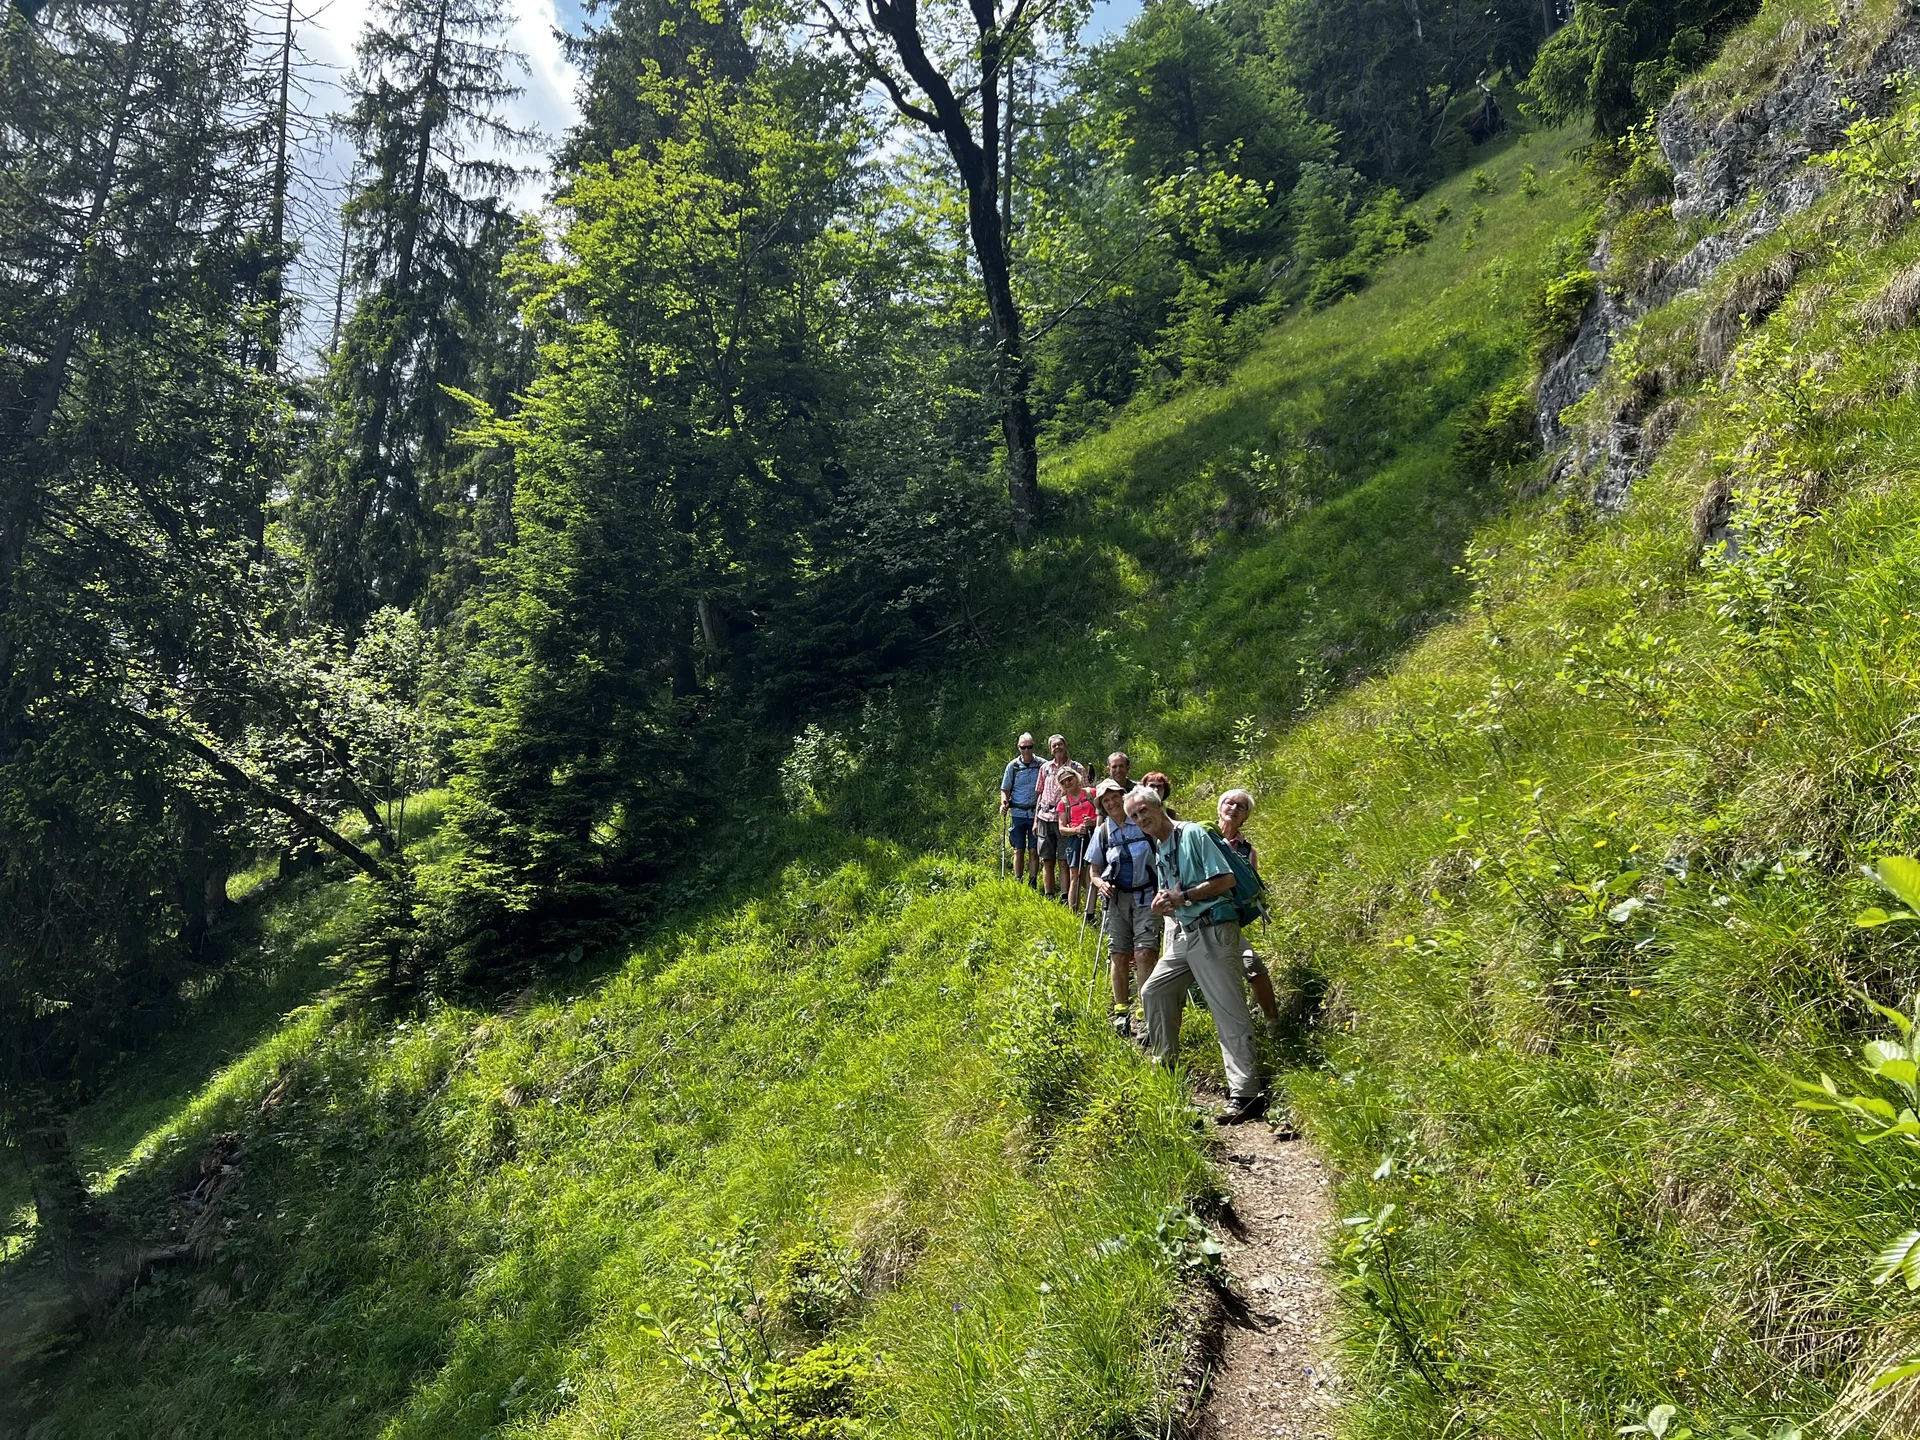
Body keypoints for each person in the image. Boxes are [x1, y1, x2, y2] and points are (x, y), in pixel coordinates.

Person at [1126, 786, 1265, 1124]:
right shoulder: (1161, 847)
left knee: (1228, 1010)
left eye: (1145, 809)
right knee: (1154, 990)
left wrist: (1182, 896)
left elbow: (1226, 879)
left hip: (1215, 930)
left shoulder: (1192, 833)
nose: (1141, 818)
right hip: (1188, 934)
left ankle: (1247, 1094)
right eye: (1134, 815)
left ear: (1159, 808)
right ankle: (1167, 1068)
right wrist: (1165, 905)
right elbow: (1173, 898)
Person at [1087, 779, 1158, 1034]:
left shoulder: (1140, 821)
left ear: (1122, 796)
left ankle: (1145, 1007)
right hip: (1116, 900)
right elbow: (1093, 870)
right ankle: (1121, 1010)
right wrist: (1099, 884)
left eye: (1114, 797)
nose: (1111, 803)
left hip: (1147, 895)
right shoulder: (1102, 832)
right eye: (1106, 800)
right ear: (1102, 806)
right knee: (1118, 953)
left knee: (1144, 953)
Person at [1217, 789, 1281, 1027]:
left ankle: (1273, 1023)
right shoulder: (1201, 836)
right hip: (1194, 917)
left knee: (1253, 965)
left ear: (1245, 817)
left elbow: (1249, 891)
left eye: (1240, 807)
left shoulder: (1246, 851)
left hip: (1228, 920)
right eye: (1229, 803)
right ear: (1219, 808)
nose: (1233, 808)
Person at [1034, 735, 1089, 902]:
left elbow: (1086, 794)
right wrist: (1036, 820)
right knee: (1047, 859)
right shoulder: (1044, 768)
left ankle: (1065, 896)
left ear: (1065, 746)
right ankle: (1049, 895)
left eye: (1059, 744)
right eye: (1053, 746)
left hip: (1066, 819)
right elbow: (1040, 794)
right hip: (1045, 817)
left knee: (1064, 861)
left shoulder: (1076, 767)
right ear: (1050, 749)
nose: (1057, 748)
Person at [1000, 733, 1044, 886]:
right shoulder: (1013, 766)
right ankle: (1018, 881)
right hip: (1017, 813)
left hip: (1035, 814)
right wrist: (1004, 802)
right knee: (1018, 849)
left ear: (1034, 747)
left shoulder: (1042, 765)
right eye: (1023, 747)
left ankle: (1033, 882)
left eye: (1029, 747)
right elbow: (1005, 789)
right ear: (1018, 748)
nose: (1026, 750)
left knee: (1034, 850)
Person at [1055, 767, 1097, 913]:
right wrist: (1076, 829)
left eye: (1069, 778)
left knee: (1092, 874)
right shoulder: (1063, 802)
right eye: (1063, 781)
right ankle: (1073, 912)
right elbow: (1062, 828)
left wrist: (1093, 822)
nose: (1068, 782)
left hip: (1094, 836)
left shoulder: (1091, 793)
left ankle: (1089, 913)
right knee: (1075, 876)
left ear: (1076, 777)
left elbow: (1104, 815)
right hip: (1075, 839)